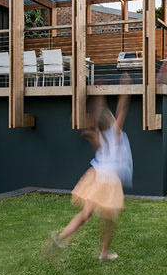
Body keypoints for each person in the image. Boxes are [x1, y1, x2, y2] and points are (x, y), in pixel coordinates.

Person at [46, 82, 133, 263]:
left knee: (85, 215)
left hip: (96, 176)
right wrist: (125, 89)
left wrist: (98, 99)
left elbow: (98, 118)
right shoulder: (115, 132)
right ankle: (104, 252)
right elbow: (122, 107)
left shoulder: (97, 135)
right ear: (110, 121)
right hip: (109, 182)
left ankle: (60, 238)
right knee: (109, 221)